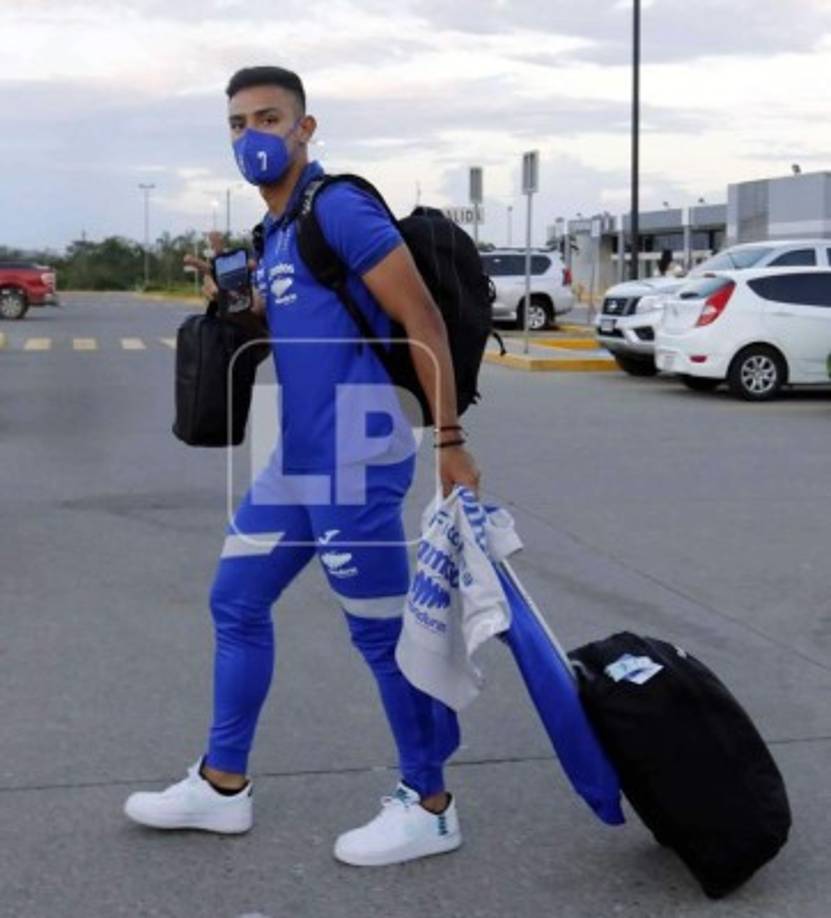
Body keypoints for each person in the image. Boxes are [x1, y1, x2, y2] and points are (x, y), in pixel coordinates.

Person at [123, 66, 481, 868]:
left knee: (380, 637)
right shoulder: (276, 232)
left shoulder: (338, 207)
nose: (252, 134)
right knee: (236, 600)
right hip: (297, 453)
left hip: (358, 448)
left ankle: (429, 804)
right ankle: (221, 788)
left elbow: (419, 314)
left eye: (268, 117)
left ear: (304, 128)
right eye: (238, 122)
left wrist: (451, 441)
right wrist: (237, 303)